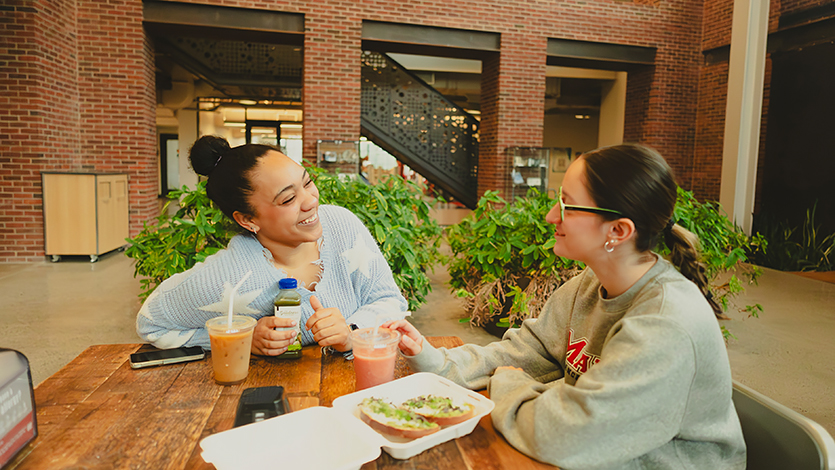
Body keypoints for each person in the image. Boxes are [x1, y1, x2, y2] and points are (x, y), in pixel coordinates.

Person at [384, 144, 746, 469]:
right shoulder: (589, 285)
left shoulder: (665, 324)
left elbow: (568, 436)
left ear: (618, 231)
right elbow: (526, 352)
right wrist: (435, 360)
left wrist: (508, 382)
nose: (551, 216)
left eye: (568, 206)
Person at [136, 135, 408, 356]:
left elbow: (389, 300)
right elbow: (152, 324)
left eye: (307, 182)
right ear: (248, 219)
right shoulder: (230, 274)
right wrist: (243, 337)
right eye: (288, 199)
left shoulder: (340, 225)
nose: (311, 201)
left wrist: (352, 333)